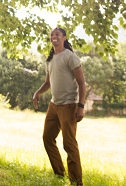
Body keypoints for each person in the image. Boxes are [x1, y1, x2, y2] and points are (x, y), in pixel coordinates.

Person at [32, 27, 86, 186]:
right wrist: (37, 93)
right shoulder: (49, 60)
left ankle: (77, 182)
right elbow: (48, 82)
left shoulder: (70, 57)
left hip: (69, 106)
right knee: (47, 138)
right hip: (54, 105)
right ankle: (59, 174)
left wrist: (80, 106)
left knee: (69, 144)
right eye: (52, 35)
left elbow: (82, 83)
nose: (54, 37)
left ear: (64, 38)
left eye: (57, 34)